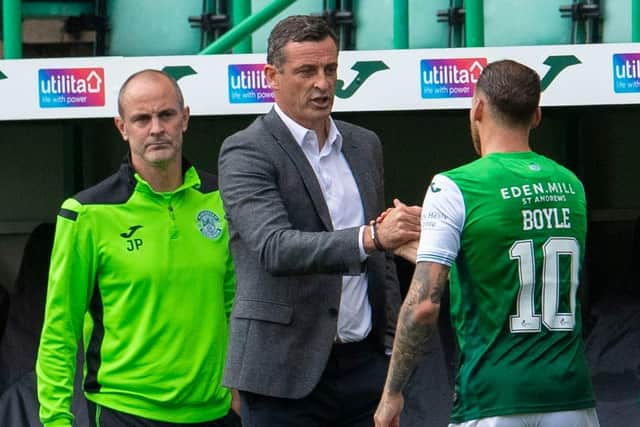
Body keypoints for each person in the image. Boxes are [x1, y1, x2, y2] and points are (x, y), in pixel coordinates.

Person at [218, 14, 421, 427]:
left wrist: (389, 355)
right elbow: (275, 247)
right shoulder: (245, 151)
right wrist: (372, 237)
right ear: (271, 77)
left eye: (330, 69)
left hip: (365, 368)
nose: (323, 83)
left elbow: (379, 263)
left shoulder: (364, 144)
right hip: (282, 373)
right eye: (306, 71)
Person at [375, 60, 599, 427]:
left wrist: (392, 394)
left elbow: (423, 306)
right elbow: (516, 263)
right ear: (537, 115)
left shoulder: (455, 186)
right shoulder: (571, 184)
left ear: (477, 108)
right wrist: (434, 247)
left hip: (493, 397)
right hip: (571, 396)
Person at [36, 69, 239, 427]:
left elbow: (233, 304)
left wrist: (240, 391)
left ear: (185, 119)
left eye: (166, 115)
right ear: (122, 127)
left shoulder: (222, 200)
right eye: (142, 119)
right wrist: (55, 419)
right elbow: (60, 328)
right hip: (126, 412)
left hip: (214, 412)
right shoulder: (86, 213)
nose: (156, 128)